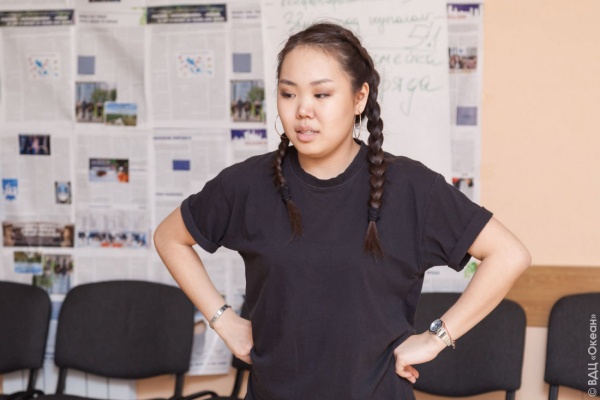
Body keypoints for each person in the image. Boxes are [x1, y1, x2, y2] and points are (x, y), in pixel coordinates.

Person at [154, 22, 530, 400]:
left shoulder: (412, 187)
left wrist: (437, 338)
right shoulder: (246, 184)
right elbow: (170, 237)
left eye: (321, 94)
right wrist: (223, 320)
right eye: (288, 93)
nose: (303, 110)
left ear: (359, 98)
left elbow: (509, 254)